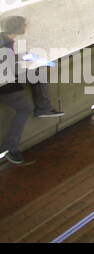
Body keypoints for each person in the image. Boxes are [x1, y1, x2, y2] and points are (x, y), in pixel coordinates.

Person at [0, 16, 63, 166]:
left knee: (38, 74)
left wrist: (23, 57)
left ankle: (44, 108)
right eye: (24, 25)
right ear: (18, 27)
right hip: (4, 83)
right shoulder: (4, 42)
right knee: (25, 107)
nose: (26, 26)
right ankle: (10, 147)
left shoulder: (6, 40)